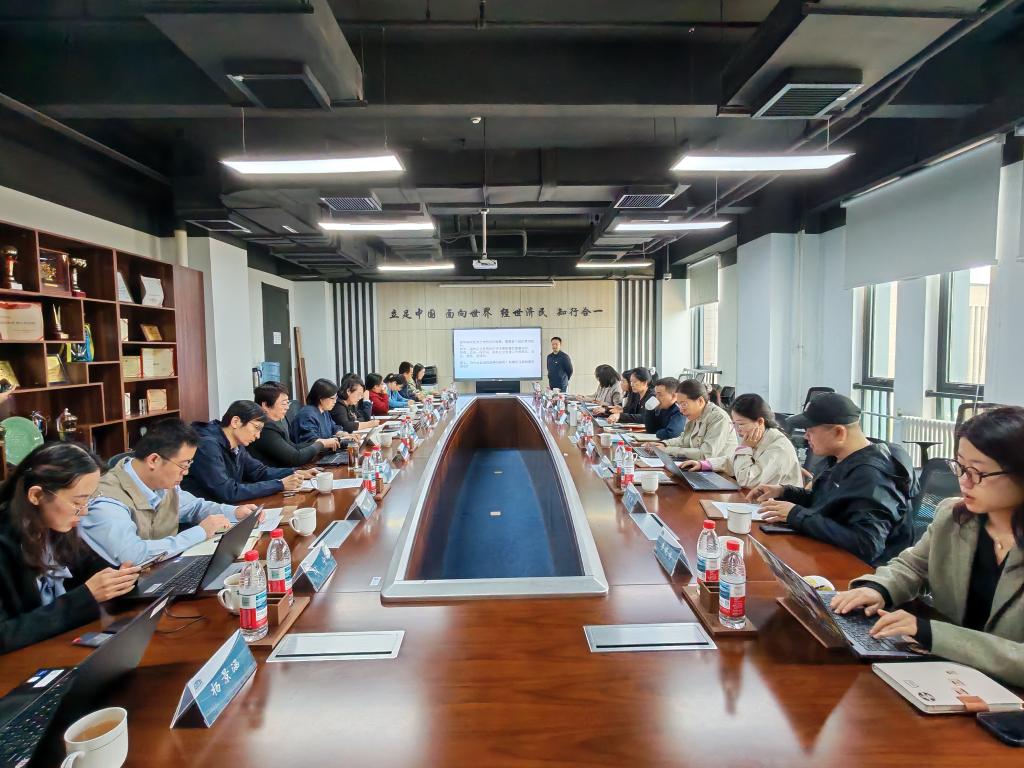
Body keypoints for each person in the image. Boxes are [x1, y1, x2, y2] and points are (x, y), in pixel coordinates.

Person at [831, 407, 1024, 686]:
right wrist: (878, 589)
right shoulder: (954, 516)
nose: (964, 481)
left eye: (979, 472)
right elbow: (914, 566)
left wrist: (932, 634)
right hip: (948, 676)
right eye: (960, 467)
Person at [0, 443, 140, 654]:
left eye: (88, 500)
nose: (84, 512)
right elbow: (4, 635)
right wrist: (86, 596)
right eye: (77, 502)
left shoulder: (55, 528)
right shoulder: (5, 543)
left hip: (55, 646)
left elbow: (93, 569)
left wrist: (121, 579)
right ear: (36, 495)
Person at [748, 393, 917, 566]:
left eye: (811, 430)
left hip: (862, 572)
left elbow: (867, 544)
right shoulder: (841, 458)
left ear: (839, 432)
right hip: (830, 554)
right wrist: (784, 492)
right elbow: (828, 501)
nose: (806, 436)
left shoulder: (873, 476)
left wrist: (796, 515)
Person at [80, 420, 259, 565]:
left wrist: (235, 512)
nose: (186, 472)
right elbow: (132, 555)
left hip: (164, 570)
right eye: (183, 465)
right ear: (154, 460)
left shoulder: (163, 483)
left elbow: (194, 507)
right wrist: (200, 532)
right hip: (125, 592)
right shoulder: (107, 499)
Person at [183, 401, 309, 503]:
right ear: (236, 422)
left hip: (228, 508)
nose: (258, 436)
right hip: (206, 516)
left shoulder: (237, 444)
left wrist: (294, 472)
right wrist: (279, 485)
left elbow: (258, 471)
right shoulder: (207, 445)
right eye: (256, 428)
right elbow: (227, 491)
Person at [681, 393, 802, 488]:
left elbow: (747, 480)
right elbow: (733, 461)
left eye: (741, 424)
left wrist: (744, 448)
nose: (737, 429)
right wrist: (704, 464)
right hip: (759, 500)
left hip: (779, 507)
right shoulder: (758, 437)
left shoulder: (779, 447)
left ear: (760, 422)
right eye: (734, 424)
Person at [249, 382, 338, 468]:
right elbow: (295, 458)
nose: (287, 407)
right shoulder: (265, 429)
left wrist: (322, 443)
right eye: (283, 403)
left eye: (288, 403)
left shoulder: (274, 424)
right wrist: (321, 444)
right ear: (265, 405)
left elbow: (293, 447)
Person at [658, 379, 738, 460]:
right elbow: (684, 440)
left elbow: (705, 454)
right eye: (679, 405)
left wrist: (667, 450)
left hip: (718, 467)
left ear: (700, 401)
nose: (681, 410)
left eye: (684, 404)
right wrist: (664, 444)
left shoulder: (719, 418)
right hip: (698, 464)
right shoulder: (694, 414)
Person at [292, 378, 343, 445]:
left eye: (336, 397)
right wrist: (329, 442)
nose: (335, 401)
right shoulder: (307, 415)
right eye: (332, 398)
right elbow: (311, 441)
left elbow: (333, 428)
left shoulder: (324, 411)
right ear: (321, 398)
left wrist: (344, 434)